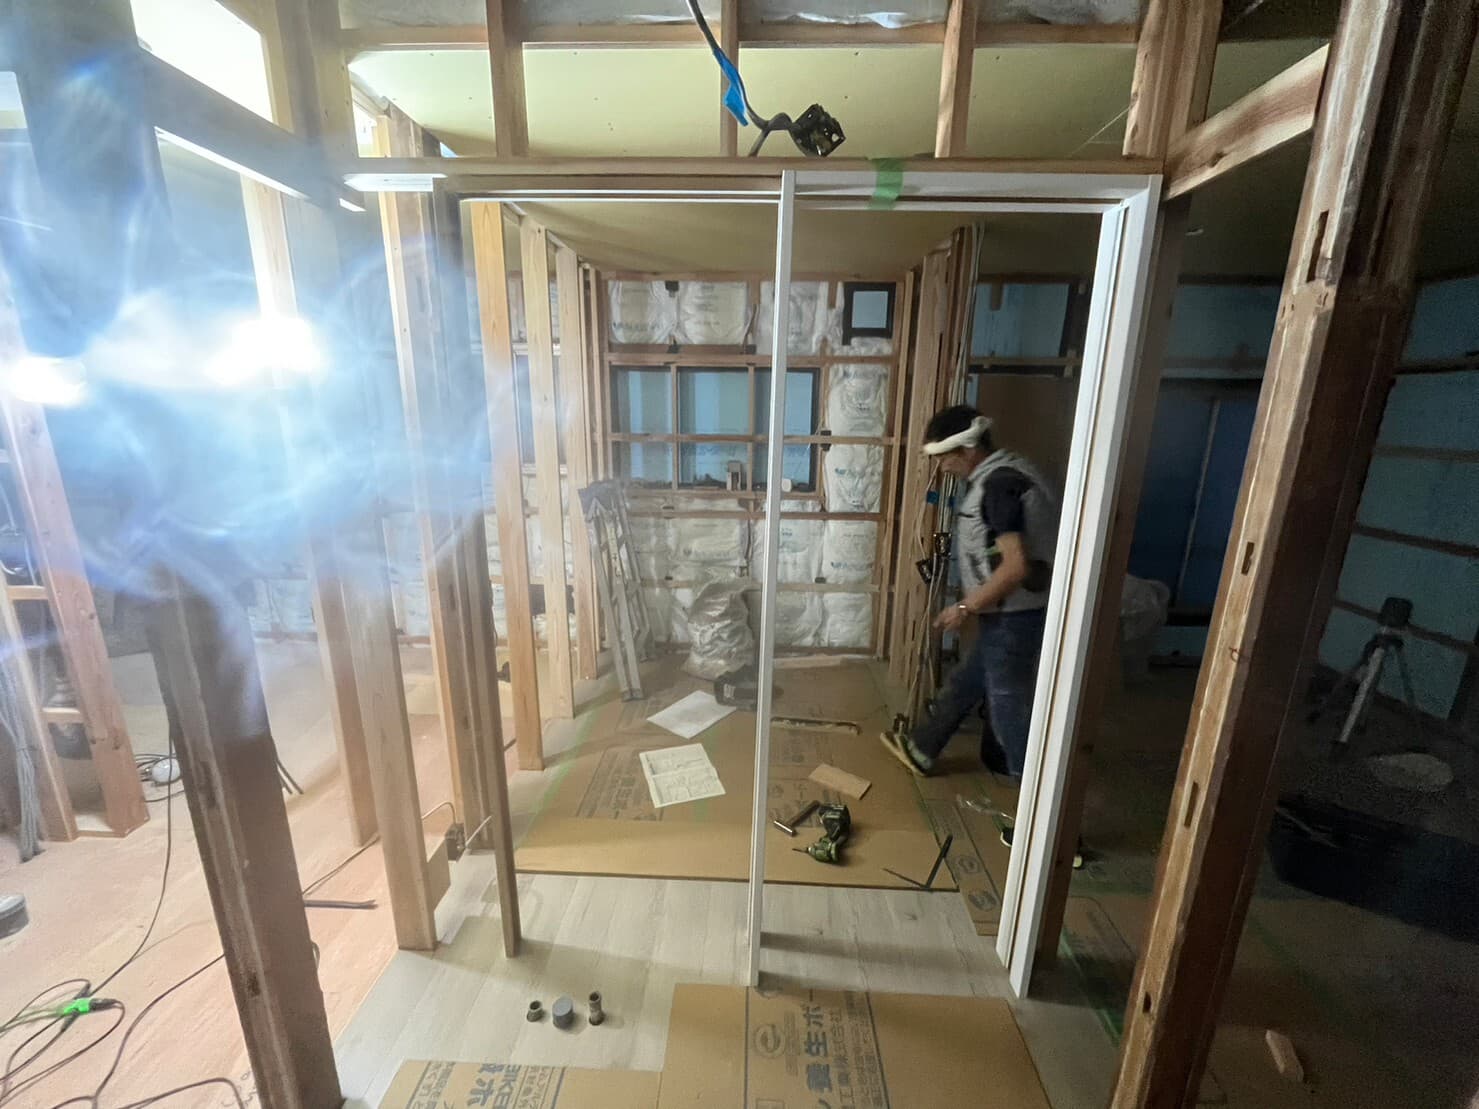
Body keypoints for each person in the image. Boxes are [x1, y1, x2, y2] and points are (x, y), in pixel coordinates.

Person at [881, 405, 1059, 789]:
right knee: (969, 680)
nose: (942, 467)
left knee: (1007, 704)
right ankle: (923, 747)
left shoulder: (998, 487)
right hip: (1012, 611)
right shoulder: (1011, 471)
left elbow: (1015, 566)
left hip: (1016, 615)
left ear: (967, 450)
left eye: (944, 457)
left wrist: (965, 607)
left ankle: (1038, 801)